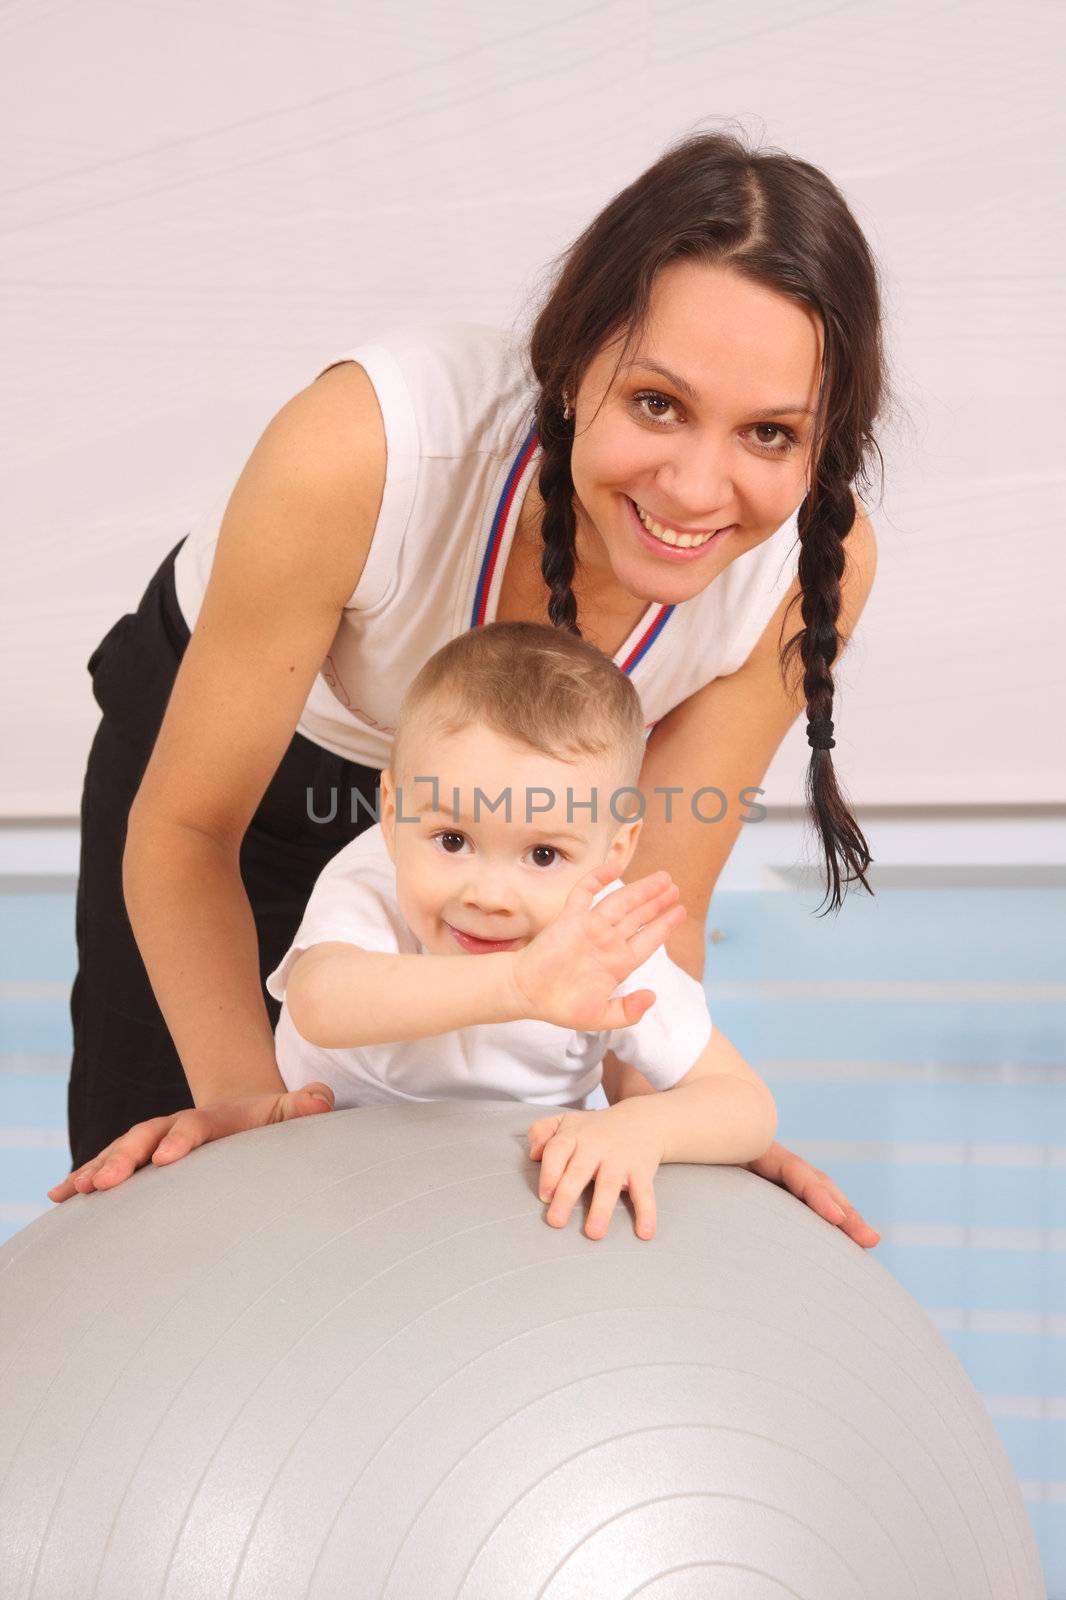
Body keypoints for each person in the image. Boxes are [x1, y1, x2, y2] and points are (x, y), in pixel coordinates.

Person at [51, 128, 885, 1248]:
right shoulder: (364, 448)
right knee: (177, 1217)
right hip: (239, 786)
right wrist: (252, 1123)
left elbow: (646, 909)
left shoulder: (809, 574)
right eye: (655, 404)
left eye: (770, 433)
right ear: (573, 356)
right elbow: (189, 828)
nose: (696, 485)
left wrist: (689, 1133)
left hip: (525, 841)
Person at [262, 623, 778, 1242]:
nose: (488, 896)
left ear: (614, 849)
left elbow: (746, 1106)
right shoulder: (372, 874)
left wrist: (645, 1127)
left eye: (542, 856)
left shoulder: (604, 934)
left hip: (508, 1197)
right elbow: (320, 1001)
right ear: (395, 815)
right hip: (331, 1175)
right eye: (453, 841)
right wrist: (516, 984)